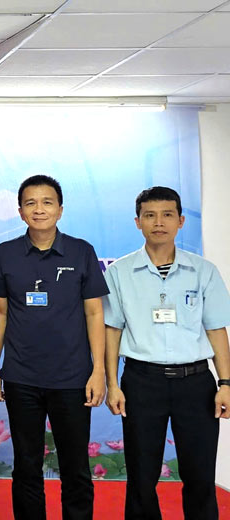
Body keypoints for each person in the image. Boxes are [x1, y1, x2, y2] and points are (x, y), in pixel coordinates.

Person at [103, 187, 230, 520]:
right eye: (150, 215)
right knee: (141, 476)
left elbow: (216, 329)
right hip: (142, 382)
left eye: (167, 215)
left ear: (181, 221)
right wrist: (112, 384)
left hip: (196, 383)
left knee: (200, 476)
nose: (158, 222)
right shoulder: (119, 272)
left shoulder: (203, 271)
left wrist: (226, 383)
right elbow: (112, 330)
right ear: (138, 222)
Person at [0, 175, 107, 520]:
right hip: (21, 377)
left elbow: (94, 312)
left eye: (47, 202)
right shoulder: (6, 253)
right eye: (31, 203)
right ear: (21, 211)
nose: (39, 209)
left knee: (75, 467)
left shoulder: (81, 251)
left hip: (72, 378)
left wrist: (98, 370)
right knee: (26, 466)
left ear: (60, 210)